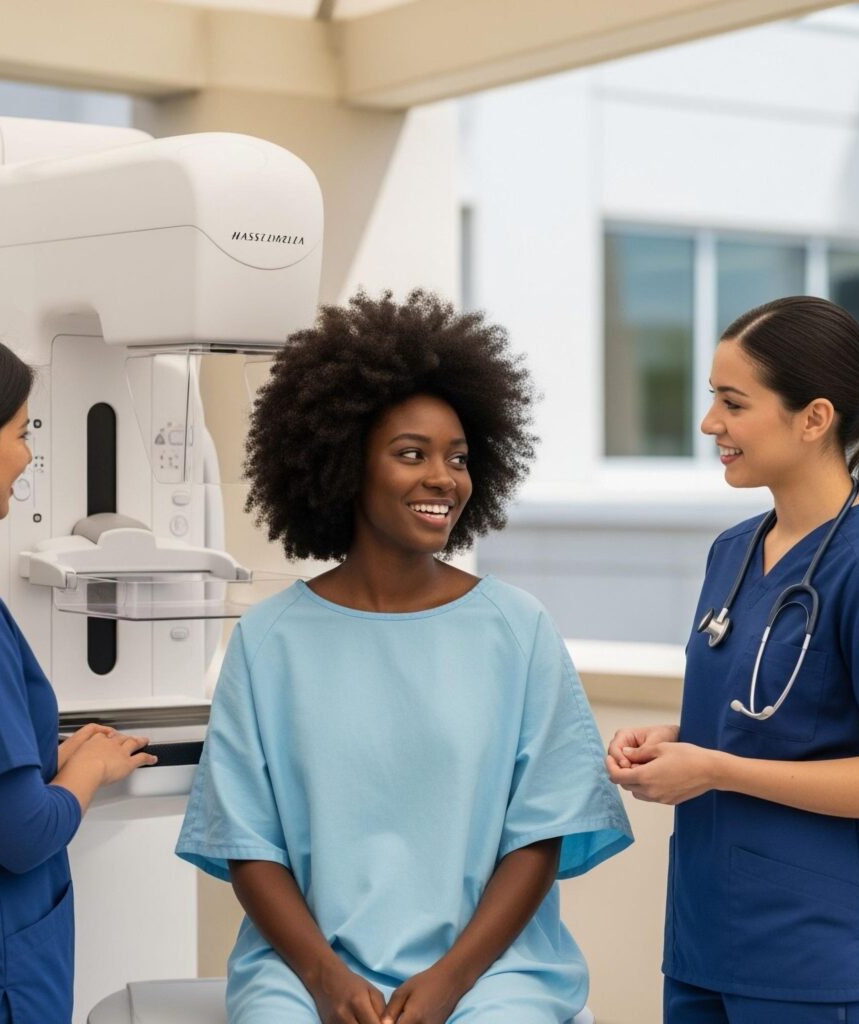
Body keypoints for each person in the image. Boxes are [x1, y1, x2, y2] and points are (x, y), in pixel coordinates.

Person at [176, 290, 632, 1024]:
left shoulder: (517, 630)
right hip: (304, 969)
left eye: (457, 458)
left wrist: (452, 981)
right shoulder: (268, 641)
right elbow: (247, 844)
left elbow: (541, 836)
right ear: (344, 465)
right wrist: (326, 979)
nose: (443, 478)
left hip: (492, 971)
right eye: (411, 454)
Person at [606, 296, 859, 1024]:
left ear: (814, 418)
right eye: (711, 400)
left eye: (733, 402)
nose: (710, 425)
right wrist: (678, 742)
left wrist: (715, 768)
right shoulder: (732, 552)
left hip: (814, 963)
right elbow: (770, 716)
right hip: (703, 943)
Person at [0, 323, 158, 1024]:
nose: (27, 455)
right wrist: (89, 768)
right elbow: (21, 835)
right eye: (19, 431)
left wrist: (40, 760)